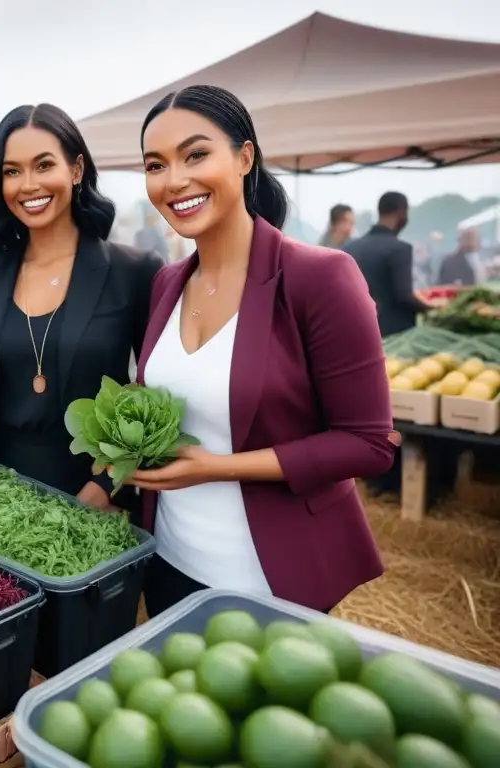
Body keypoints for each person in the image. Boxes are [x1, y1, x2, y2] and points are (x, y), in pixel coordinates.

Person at [127, 85, 395, 616]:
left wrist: (218, 467)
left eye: (196, 154)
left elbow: (369, 444)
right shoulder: (165, 284)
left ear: (245, 156)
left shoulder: (320, 277)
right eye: (155, 165)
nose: (174, 180)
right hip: (168, 562)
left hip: (270, 577)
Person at [0, 104, 162, 508]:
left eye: (44, 165)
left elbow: (152, 395)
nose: (28, 185)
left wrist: (102, 487)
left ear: (76, 170)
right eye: (12, 171)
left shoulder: (133, 272)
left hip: (99, 505)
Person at [344, 192, 432, 336]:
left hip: (357, 332)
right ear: (401, 212)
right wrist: (435, 310)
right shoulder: (400, 249)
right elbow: (404, 296)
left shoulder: (350, 248)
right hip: (393, 336)